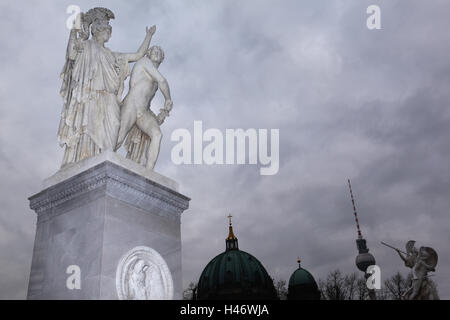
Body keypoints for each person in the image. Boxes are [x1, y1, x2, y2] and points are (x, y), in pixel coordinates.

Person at [58, 7, 156, 167]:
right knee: (88, 130)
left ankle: (104, 165)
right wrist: (74, 32)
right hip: (91, 96)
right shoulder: (86, 46)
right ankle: (85, 160)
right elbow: (71, 54)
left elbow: (137, 55)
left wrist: (148, 36)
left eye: (109, 31)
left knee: (114, 127)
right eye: (107, 31)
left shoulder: (113, 55)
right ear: (97, 31)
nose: (109, 34)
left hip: (109, 98)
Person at [116, 46, 173, 169]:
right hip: (131, 104)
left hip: (143, 111)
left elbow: (146, 102)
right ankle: (103, 157)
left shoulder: (155, 83)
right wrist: (168, 98)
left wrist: (159, 116)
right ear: (148, 53)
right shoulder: (144, 62)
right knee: (119, 137)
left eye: (159, 52)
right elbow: (163, 80)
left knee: (157, 134)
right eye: (154, 50)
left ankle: (149, 172)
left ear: (162, 58)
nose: (157, 53)